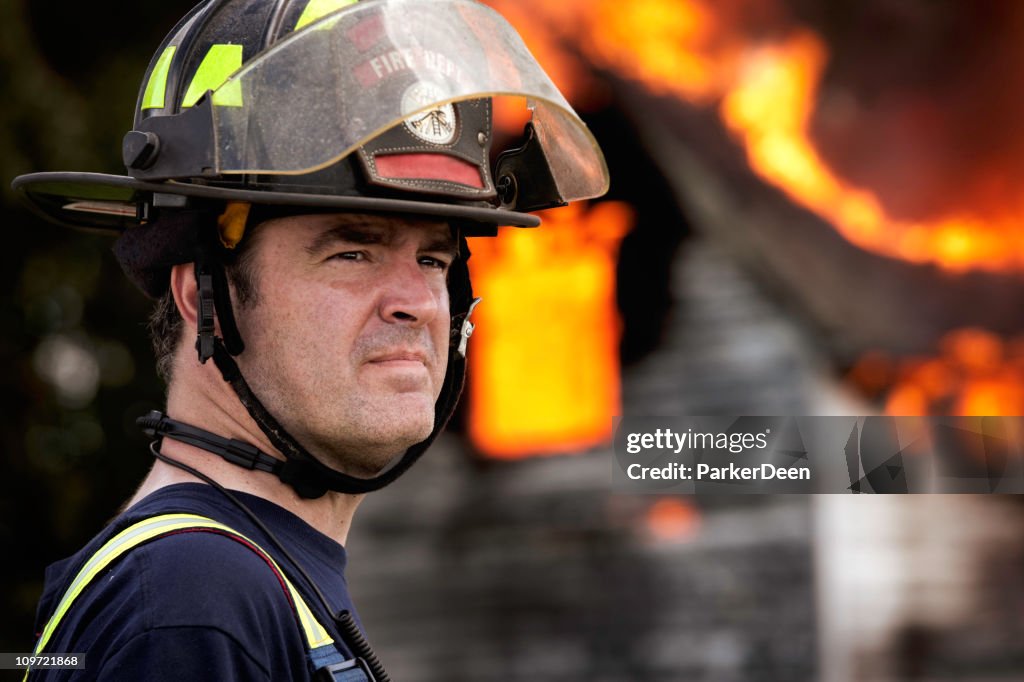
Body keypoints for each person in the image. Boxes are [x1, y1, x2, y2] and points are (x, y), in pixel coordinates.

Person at [13, 0, 608, 679]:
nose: (416, 304)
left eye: (434, 259)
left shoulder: (247, 583)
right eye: (352, 253)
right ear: (199, 292)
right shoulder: (192, 604)